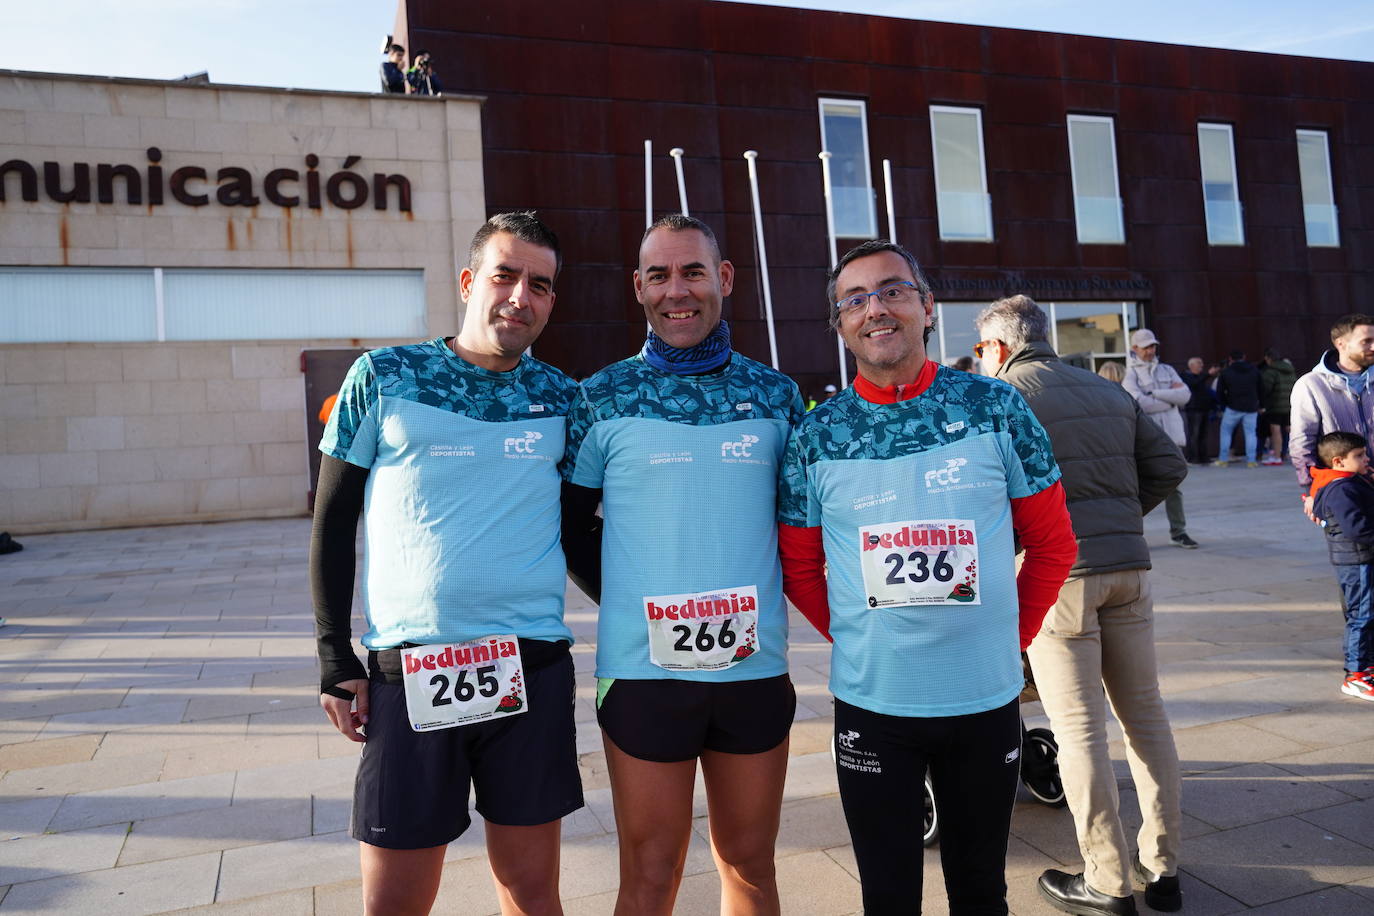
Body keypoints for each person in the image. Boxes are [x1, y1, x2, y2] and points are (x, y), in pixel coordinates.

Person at [777, 242, 1077, 914]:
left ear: (926, 305)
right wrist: (859, 635)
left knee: (980, 895)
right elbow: (798, 567)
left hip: (984, 700)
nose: (874, 308)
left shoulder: (997, 407)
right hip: (874, 707)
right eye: (854, 299)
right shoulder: (816, 435)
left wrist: (1010, 638)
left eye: (892, 290)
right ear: (840, 324)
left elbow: (1054, 545)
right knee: (888, 899)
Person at [311, 212, 583, 915]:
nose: (522, 295)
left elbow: (585, 532)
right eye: (506, 274)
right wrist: (333, 658)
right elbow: (334, 521)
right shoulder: (384, 375)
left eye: (541, 284)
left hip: (531, 667)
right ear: (469, 281)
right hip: (413, 671)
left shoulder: (563, 397)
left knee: (532, 895)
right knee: (395, 904)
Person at [561, 214, 803, 915]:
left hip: (754, 671)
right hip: (644, 674)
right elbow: (570, 529)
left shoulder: (778, 396)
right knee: (651, 869)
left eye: (693, 271)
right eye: (660, 275)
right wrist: (636, 598)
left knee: (751, 864)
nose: (678, 291)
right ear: (638, 288)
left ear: (723, 279)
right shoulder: (599, 398)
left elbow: (800, 527)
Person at [976, 295, 1187, 916]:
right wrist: (1120, 521)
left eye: (982, 348)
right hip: (1129, 573)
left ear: (998, 347)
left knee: (1079, 733)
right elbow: (1169, 466)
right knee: (1146, 720)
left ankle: (1106, 879)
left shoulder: (1003, 398)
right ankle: (1164, 869)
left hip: (1058, 580)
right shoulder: (1106, 391)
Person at [1310, 431, 1374, 702]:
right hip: (1357, 558)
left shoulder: (1347, 481)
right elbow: (1356, 528)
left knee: (1366, 613)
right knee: (1362, 615)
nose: (1365, 459)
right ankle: (1355, 676)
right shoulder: (1341, 488)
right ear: (1338, 461)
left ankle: (1365, 666)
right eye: (1358, 456)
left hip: (1359, 557)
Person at [1123, 329, 1198, 548]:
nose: (1150, 350)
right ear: (1135, 349)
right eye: (1146, 346)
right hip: (1146, 439)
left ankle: (1179, 531)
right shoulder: (1131, 374)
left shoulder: (1167, 369)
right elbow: (1136, 402)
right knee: (1135, 487)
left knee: (1175, 484)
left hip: (1171, 437)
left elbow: (1185, 396)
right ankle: (1133, 533)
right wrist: (1169, 398)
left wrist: (1154, 394)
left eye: (1153, 346)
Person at [1290, 314, 1374, 502]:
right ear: (1341, 344)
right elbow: (1302, 442)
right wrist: (1310, 490)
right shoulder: (1311, 385)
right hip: (1343, 491)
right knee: (1355, 532)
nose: (1373, 347)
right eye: (1366, 341)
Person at [1214, 350, 1262, 467]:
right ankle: (1251, 460)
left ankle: (1223, 459)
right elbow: (1261, 389)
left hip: (1232, 407)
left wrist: (1223, 405)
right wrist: (1261, 405)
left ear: (1230, 359)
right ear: (1244, 357)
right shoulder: (1254, 370)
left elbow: (1220, 392)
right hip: (1251, 407)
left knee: (1226, 433)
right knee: (1251, 434)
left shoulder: (1226, 372)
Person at [1260, 348, 1296, 465]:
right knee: (1291, 430)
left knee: (1276, 431)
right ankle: (1298, 454)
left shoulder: (1270, 372)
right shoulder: (1290, 370)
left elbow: (1265, 389)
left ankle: (1276, 456)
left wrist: (1263, 403)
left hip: (1275, 406)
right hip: (1290, 405)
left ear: (1268, 358)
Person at [1181, 356, 1213, 464]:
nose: (1201, 366)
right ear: (1191, 366)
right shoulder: (1186, 376)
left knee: (1203, 434)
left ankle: (1203, 456)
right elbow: (1193, 384)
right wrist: (1208, 375)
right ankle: (1193, 457)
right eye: (1199, 363)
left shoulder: (1200, 377)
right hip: (1193, 409)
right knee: (1194, 434)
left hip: (1204, 408)